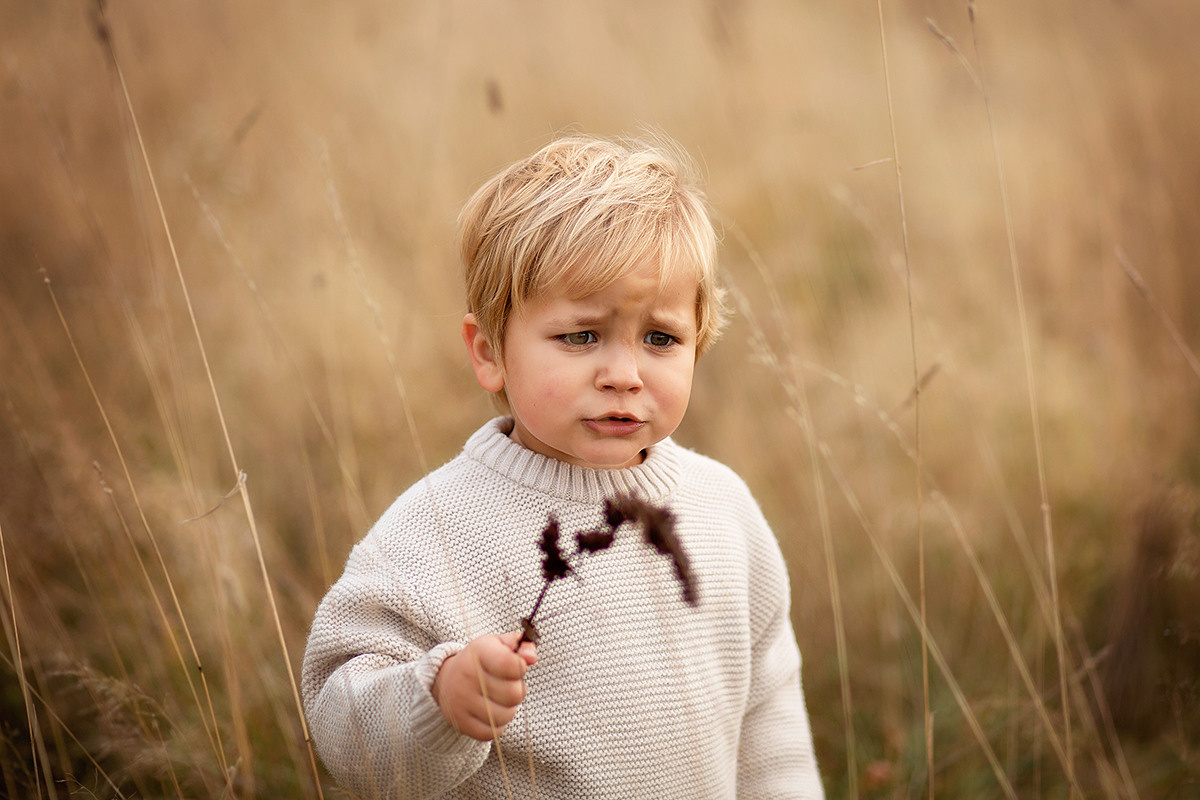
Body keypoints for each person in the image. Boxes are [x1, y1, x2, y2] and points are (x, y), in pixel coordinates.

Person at [301, 134, 824, 799]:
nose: (623, 374)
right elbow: (340, 724)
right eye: (581, 336)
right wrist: (437, 696)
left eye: (660, 338)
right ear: (489, 351)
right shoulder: (438, 527)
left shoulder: (722, 509)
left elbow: (770, 723)